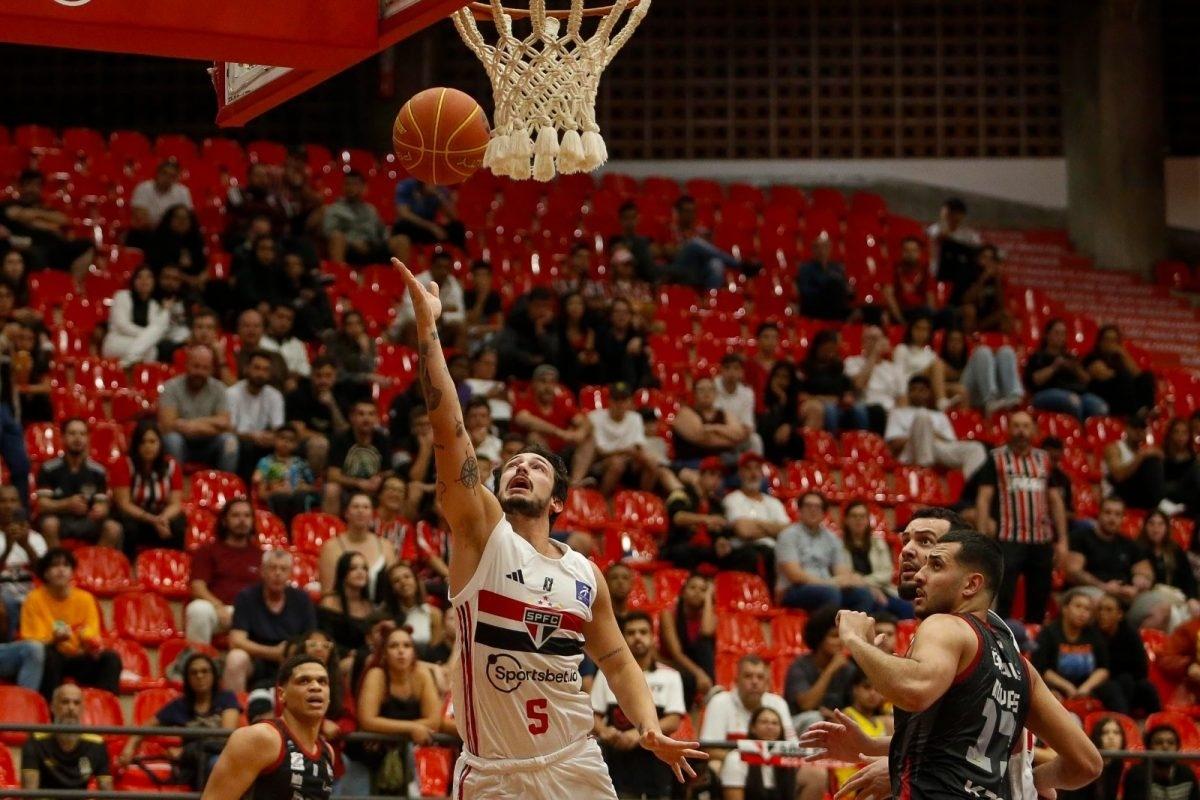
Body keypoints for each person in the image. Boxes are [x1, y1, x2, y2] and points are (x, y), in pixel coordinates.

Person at [395, 259, 701, 797]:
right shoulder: (482, 538)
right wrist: (429, 331)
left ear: (558, 499)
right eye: (511, 463)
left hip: (575, 761)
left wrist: (649, 726)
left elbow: (619, 662)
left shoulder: (585, 573)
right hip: (493, 774)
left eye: (535, 466)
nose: (519, 467)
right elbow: (451, 434)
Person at [837, 530, 1103, 799]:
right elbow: (1087, 763)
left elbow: (914, 690)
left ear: (971, 585)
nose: (919, 575)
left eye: (936, 565)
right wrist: (1028, 782)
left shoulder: (946, 625)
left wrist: (855, 639)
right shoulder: (1022, 666)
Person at [974, 410, 1069, 622]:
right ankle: (1002, 643)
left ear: (1034, 430)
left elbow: (1055, 500)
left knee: (1040, 598)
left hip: (1040, 539)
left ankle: (1033, 645)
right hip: (1009, 538)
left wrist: (1062, 540)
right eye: (1016, 426)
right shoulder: (997, 458)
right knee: (1004, 596)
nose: (1021, 432)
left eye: (1026, 426)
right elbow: (983, 498)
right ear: (1008, 429)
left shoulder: (1043, 459)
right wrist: (982, 539)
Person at [201, 655, 335, 800]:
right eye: (304, 681)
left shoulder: (328, 752)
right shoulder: (260, 738)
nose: (316, 687)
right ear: (281, 694)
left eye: (322, 681)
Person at [592, 612, 687, 800]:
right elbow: (594, 715)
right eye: (631, 633)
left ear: (653, 637)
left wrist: (640, 734)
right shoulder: (605, 675)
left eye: (643, 632)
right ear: (622, 638)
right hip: (617, 762)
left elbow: (674, 720)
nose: (637, 637)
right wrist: (604, 731)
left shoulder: (671, 676)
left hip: (656, 765)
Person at [701, 655, 824, 800]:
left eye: (760, 677)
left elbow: (792, 747)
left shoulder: (778, 703)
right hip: (737, 765)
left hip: (775, 765)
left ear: (767, 682)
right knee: (732, 761)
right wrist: (751, 758)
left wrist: (764, 759)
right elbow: (708, 749)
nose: (754, 682)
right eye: (748, 676)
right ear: (736, 680)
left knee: (817, 774)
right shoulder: (720, 702)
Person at [117, 653, 240, 784]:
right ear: (187, 678)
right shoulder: (180, 705)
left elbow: (226, 737)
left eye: (205, 671)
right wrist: (129, 749)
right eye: (194, 673)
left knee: (219, 764)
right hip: (194, 764)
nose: (200, 676)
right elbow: (145, 728)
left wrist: (185, 750)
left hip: (221, 757)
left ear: (214, 675)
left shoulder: (227, 698)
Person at [346, 626, 442, 795]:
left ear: (414, 651)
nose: (401, 651)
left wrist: (391, 727)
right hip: (367, 756)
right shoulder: (377, 674)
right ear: (384, 653)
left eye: (406, 646)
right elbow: (367, 720)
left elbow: (434, 720)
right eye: (394, 646)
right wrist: (412, 728)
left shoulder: (421, 673)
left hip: (406, 756)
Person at [20, 547, 122, 696]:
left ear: (72, 572)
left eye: (66, 565)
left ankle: (105, 708)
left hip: (79, 655)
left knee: (111, 658)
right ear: (45, 573)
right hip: (53, 656)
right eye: (55, 566)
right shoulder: (33, 599)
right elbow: (34, 640)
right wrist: (54, 639)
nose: (61, 570)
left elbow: (92, 631)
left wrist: (87, 643)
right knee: (48, 655)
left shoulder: (86, 598)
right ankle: (50, 712)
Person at [224, 549, 317, 693]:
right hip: (256, 658)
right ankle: (234, 710)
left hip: (291, 659)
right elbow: (236, 640)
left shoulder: (302, 599)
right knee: (235, 658)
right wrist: (273, 652)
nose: (278, 573)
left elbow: (311, 638)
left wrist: (290, 652)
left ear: (290, 574)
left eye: (283, 569)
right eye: (272, 568)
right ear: (262, 571)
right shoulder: (246, 597)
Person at [775, 491, 875, 611]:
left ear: (824, 513)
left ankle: (855, 629)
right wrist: (829, 583)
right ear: (799, 510)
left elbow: (841, 571)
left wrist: (847, 580)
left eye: (818, 507)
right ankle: (828, 629)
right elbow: (795, 575)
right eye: (808, 506)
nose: (813, 510)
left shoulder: (832, 538)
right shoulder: (788, 536)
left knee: (862, 595)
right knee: (830, 593)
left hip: (826, 587)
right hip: (794, 590)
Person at [1032, 588, 1127, 712]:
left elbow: (1103, 669)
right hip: (1057, 685)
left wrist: (1085, 688)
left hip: (1087, 685)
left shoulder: (1094, 635)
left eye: (1087, 609)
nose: (1082, 612)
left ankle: (1120, 724)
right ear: (1065, 609)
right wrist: (1067, 686)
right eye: (1078, 606)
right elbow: (1042, 669)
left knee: (1112, 688)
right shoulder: (1049, 633)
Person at [186, 498, 262, 645]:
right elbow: (197, 587)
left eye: (247, 516)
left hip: (250, 613)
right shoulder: (208, 551)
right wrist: (218, 606)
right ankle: (198, 660)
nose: (242, 520)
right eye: (236, 515)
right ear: (224, 521)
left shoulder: (261, 555)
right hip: (218, 610)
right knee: (198, 610)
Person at [35, 418, 121, 548]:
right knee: (49, 524)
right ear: (63, 438)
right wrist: (67, 504)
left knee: (113, 528)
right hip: (60, 519)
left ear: (87, 438)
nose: (77, 438)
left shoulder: (98, 471)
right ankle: (58, 563)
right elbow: (42, 505)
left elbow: (102, 503)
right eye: (72, 433)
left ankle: (94, 564)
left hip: (87, 520)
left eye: (82, 434)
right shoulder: (48, 468)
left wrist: (100, 510)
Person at [512, 363, 596, 486]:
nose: (548, 387)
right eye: (543, 382)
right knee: (534, 437)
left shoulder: (561, 402)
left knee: (588, 439)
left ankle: (575, 483)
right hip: (531, 455)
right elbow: (524, 419)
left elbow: (585, 422)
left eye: (552, 382)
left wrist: (579, 434)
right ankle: (553, 481)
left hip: (560, 452)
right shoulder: (525, 400)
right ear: (534, 384)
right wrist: (560, 433)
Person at [885, 375, 987, 477]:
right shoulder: (898, 413)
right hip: (911, 450)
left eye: (921, 390)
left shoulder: (940, 415)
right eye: (913, 390)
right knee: (922, 416)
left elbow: (951, 442)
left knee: (976, 448)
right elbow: (893, 444)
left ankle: (972, 487)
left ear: (929, 393)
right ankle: (925, 476)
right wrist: (919, 434)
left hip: (938, 448)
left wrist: (929, 435)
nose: (917, 393)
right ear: (908, 393)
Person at [111, 419, 185, 557]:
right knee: (128, 526)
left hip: (161, 514)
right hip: (135, 515)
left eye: (152, 442)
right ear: (136, 445)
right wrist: (152, 519)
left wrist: (162, 519)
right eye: (143, 442)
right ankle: (129, 566)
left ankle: (173, 564)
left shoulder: (172, 465)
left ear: (160, 444)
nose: (148, 446)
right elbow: (124, 504)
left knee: (178, 523)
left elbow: (176, 504)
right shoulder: (123, 464)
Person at [21, 683, 113, 793]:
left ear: (82, 709)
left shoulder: (96, 744)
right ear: (52, 707)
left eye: (76, 703)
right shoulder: (35, 741)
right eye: (65, 702)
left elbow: (106, 791)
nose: (71, 708)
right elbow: (29, 794)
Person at [159, 345, 238, 473]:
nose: (199, 372)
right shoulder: (171, 387)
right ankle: (176, 485)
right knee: (172, 439)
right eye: (196, 366)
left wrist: (190, 425)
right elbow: (167, 425)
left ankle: (225, 486)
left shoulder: (219, 388)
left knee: (230, 441)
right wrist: (212, 423)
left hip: (210, 443)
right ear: (187, 365)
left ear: (211, 369)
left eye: (205, 368)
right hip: (182, 443)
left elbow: (225, 424)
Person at [1065, 496, 1150, 607]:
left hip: (1123, 593)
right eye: (1108, 513)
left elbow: (1145, 570)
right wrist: (1103, 586)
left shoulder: (1128, 543)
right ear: (1099, 514)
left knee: (1160, 606)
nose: (1112, 518)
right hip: (1088, 591)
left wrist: (1139, 582)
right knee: (1106, 604)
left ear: (1122, 518)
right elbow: (1073, 571)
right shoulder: (1081, 537)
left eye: (1117, 514)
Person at [784, 605, 857, 733]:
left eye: (842, 636)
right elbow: (806, 705)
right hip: (798, 725)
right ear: (819, 638)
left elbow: (855, 707)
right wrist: (830, 670)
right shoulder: (799, 666)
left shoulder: (848, 669)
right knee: (815, 719)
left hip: (834, 721)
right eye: (834, 636)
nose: (840, 642)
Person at [1025, 318, 1109, 421]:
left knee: (1100, 406)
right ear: (1047, 335)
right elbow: (1035, 380)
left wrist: (1075, 368)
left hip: (1077, 392)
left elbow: (1087, 380)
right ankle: (1077, 432)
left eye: (1063, 333)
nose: (1060, 337)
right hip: (1046, 392)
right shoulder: (1038, 356)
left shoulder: (1070, 357)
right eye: (1056, 333)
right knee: (1072, 402)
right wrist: (1054, 367)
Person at [841, 500, 912, 618]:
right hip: (855, 592)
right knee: (877, 606)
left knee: (906, 608)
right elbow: (846, 577)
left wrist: (865, 582)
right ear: (847, 520)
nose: (858, 520)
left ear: (868, 520)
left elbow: (886, 573)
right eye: (854, 516)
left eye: (862, 516)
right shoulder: (839, 545)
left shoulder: (878, 543)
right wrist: (868, 588)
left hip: (882, 589)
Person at [723, 453, 790, 577]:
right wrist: (773, 529)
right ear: (740, 473)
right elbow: (744, 531)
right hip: (745, 551)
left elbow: (787, 531)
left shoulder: (774, 503)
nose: (753, 474)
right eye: (748, 469)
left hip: (773, 551)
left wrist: (755, 525)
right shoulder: (732, 499)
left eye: (757, 468)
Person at [318, 493, 396, 599]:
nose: (361, 511)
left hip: (381, 612)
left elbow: (394, 586)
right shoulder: (331, 547)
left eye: (366, 507)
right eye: (355, 507)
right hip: (343, 612)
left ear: (372, 514)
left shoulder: (386, 545)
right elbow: (327, 594)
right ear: (346, 513)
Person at [1094, 592, 1161, 716]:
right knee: (1114, 687)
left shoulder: (1130, 634)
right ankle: (1124, 724)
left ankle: (1157, 724)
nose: (1102, 614)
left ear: (1119, 614)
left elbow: (1141, 669)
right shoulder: (1091, 633)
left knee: (1146, 687)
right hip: (1100, 684)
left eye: (1108, 610)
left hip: (1128, 683)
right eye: (1100, 609)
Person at [658, 573, 715, 709]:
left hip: (696, 665)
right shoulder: (668, 614)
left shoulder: (708, 615)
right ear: (683, 593)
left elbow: (706, 632)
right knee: (689, 679)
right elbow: (676, 653)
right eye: (693, 588)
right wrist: (699, 674)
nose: (697, 593)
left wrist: (708, 600)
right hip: (671, 664)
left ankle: (709, 692)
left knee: (705, 645)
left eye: (703, 590)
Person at [324, 400, 391, 515]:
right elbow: (332, 475)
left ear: (376, 418)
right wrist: (359, 483)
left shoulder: (383, 439)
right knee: (331, 489)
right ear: (352, 417)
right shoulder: (340, 439)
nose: (366, 418)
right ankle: (332, 529)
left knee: (394, 487)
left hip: (374, 490)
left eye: (371, 414)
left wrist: (379, 478)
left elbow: (389, 471)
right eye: (361, 414)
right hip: (347, 490)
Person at [286, 355, 347, 476]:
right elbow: (299, 432)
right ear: (311, 375)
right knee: (319, 444)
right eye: (318, 375)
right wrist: (328, 438)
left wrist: (332, 406)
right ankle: (314, 484)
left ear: (335, 376)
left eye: (328, 376)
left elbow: (345, 432)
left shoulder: (342, 396)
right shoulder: (298, 396)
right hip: (304, 445)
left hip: (336, 445)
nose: (323, 381)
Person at [718, 706, 796, 800]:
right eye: (764, 722)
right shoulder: (737, 758)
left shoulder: (786, 760)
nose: (770, 726)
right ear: (753, 728)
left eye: (775, 723)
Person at [102, 265, 173, 367]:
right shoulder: (121, 296)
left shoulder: (154, 305)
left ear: (154, 282)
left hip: (140, 345)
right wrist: (148, 336)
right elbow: (122, 326)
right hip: (117, 340)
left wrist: (166, 310)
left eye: (149, 277)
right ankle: (129, 362)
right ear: (134, 281)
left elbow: (160, 329)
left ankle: (128, 362)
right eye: (140, 277)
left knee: (153, 346)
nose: (144, 280)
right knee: (151, 350)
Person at [672, 376, 751, 466]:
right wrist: (730, 438)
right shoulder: (685, 413)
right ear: (694, 393)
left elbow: (739, 434)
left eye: (710, 389)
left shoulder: (724, 413)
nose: (706, 393)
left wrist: (714, 428)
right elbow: (702, 438)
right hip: (693, 462)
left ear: (715, 393)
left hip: (725, 462)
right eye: (701, 390)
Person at [800, 329, 868, 432]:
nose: (829, 353)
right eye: (827, 349)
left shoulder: (838, 367)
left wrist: (847, 396)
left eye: (832, 350)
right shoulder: (806, 368)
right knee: (830, 409)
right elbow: (802, 395)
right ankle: (832, 440)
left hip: (840, 405)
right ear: (818, 347)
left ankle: (862, 439)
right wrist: (825, 399)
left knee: (860, 409)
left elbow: (846, 389)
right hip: (820, 405)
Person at [1084, 324, 1156, 417]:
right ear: (1100, 342)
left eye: (1114, 341)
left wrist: (1123, 354)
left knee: (1147, 376)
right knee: (1123, 376)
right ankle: (1135, 414)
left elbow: (1137, 374)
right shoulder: (1092, 357)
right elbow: (1103, 374)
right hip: (1101, 393)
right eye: (1107, 339)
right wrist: (1116, 374)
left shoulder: (1118, 359)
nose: (1110, 344)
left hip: (1120, 393)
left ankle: (1147, 410)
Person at [388, 178, 466, 263]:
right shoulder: (406, 186)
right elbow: (404, 214)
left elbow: (454, 216)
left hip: (427, 230)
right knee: (403, 226)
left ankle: (460, 261)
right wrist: (431, 226)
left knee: (457, 227)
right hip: (411, 226)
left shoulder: (439, 189)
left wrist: (438, 195)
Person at [378, 560, 444, 659]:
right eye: (396, 580)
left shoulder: (434, 614)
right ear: (391, 588)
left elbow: (436, 651)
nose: (403, 582)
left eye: (407, 577)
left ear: (416, 580)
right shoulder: (384, 616)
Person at [1103, 408, 1167, 511]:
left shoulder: (1144, 451)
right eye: (1135, 427)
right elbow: (1118, 476)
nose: (1138, 432)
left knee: (1154, 461)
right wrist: (1141, 456)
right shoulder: (1114, 447)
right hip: (1115, 494)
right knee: (1151, 461)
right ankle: (1160, 503)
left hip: (1137, 495)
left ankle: (1161, 501)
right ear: (1127, 428)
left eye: (1142, 428)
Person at [322, 171, 387, 264]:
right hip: (350, 248)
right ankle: (341, 274)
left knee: (401, 241)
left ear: (363, 187)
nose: (351, 188)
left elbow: (382, 233)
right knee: (337, 238)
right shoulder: (335, 209)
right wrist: (353, 242)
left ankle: (402, 276)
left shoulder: (370, 209)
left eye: (355, 184)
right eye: (347, 184)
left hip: (372, 247)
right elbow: (329, 232)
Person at [317, 551, 376, 654]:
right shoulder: (329, 602)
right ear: (343, 573)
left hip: (362, 658)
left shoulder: (370, 606)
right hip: (335, 657)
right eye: (353, 568)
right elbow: (325, 639)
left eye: (364, 568)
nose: (360, 572)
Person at [1122, 725, 1200, 800]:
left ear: (1177, 748)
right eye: (1158, 742)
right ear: (1149, 747)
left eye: (1171, 743)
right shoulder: (1136, 774)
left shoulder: (1188, 775)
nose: (1165, 746)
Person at [1060, 717, 1127, 800]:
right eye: (1105, 733)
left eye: (1116, 733)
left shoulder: (1125, 769)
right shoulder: (1085, 768)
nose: (1111, 737)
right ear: (1097, 736)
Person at [796, 234, 852, 321]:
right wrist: (825, 287)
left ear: (830, 249)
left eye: (825, 247)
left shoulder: (837, 268)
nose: (822, 251)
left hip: (836, 308)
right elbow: (806, 291)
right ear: (813, 250)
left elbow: (844, 288)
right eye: (818, 248)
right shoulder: (806, 269)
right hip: (815, 308)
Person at [130, 160, 193, 231]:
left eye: (172, 176)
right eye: (164, 173)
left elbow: (186, 220)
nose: (167, 178)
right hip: (147, 232)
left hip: (173, 235)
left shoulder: (183, 192)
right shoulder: (143, 188)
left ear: (176, 178)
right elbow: (140, 219)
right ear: (157, 173)